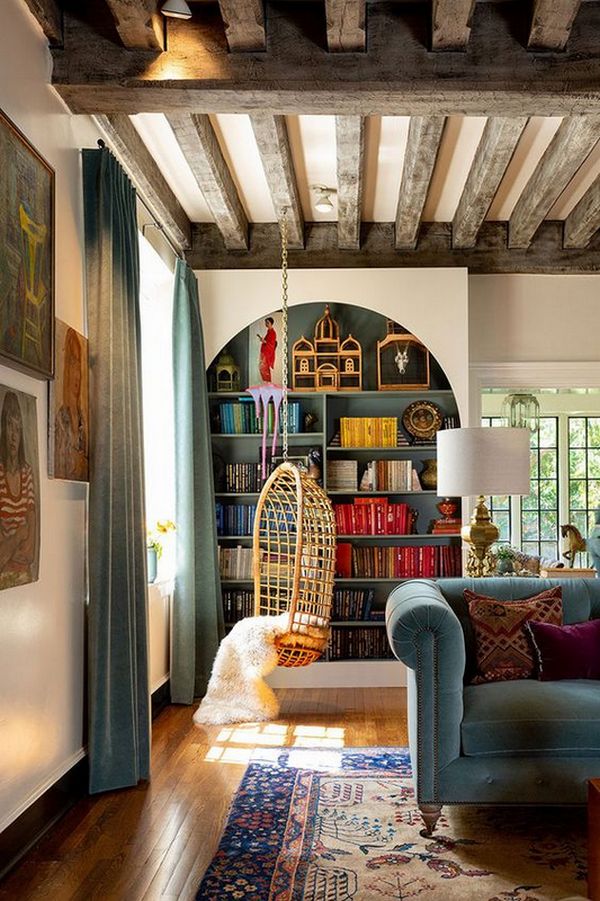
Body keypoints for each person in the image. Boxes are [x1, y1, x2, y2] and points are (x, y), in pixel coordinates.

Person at [0, 391, 37, 588]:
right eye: (9, 426)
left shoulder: (27, 472)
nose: (13, 436)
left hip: (25, 577)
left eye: (18, 428)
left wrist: (9, 544)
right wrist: (19, 535)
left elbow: (30, 555)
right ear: (2, 429)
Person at [54, 327, 88, 481]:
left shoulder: (83, 420)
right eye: (72, 362)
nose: (77, 374)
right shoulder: (61, 419)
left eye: (79, 364)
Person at [257, 317, 277, 383]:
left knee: (264, 367)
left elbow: (272, 344)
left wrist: (264, 341)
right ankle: (266, 382)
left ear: (271, 323)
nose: (266, 324)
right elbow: (266, 341)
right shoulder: (268, 332)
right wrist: (263, 340)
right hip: (264, 351)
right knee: (262, 367)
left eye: (267, 322)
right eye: (266, 322)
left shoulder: (273, 333)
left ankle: (268, 382)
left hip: (267, 352)